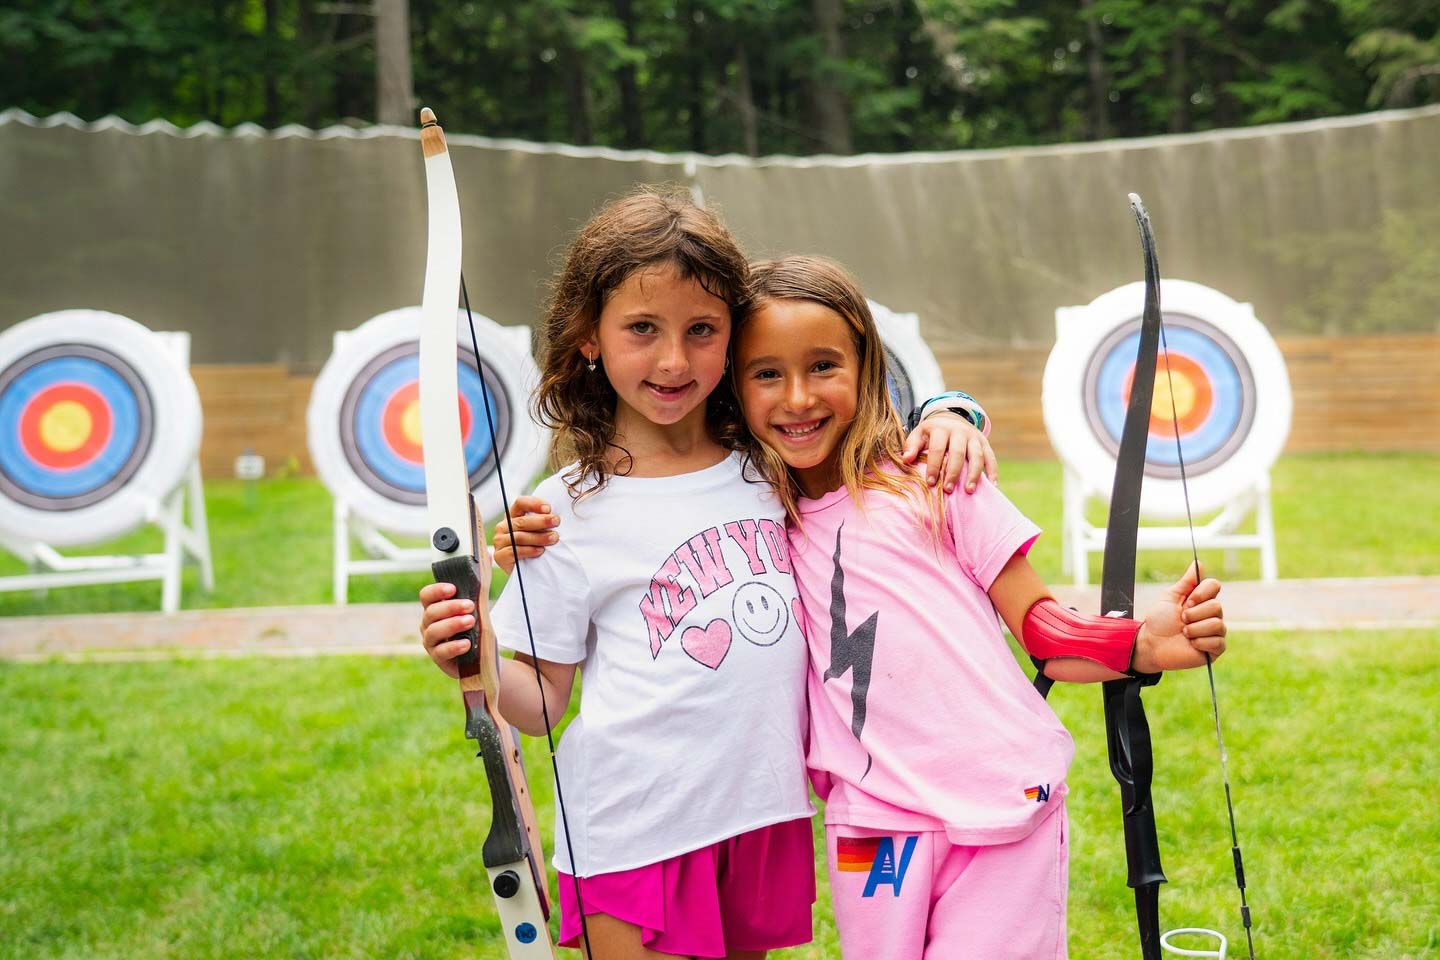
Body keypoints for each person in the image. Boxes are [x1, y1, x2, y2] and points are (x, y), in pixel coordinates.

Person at [418, 188, 995, 960]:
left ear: (734, 338)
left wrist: (954, 411)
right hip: (634, 827)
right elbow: (542, 704)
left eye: (702, 331)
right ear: (589, 338)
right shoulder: (562, 515)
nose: (672, 360)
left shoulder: (777, 465)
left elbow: (867, 415)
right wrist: (478, 658)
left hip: (761, 816)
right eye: (641, 329)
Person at [723, 255, 1228, 960]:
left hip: (1003, 805)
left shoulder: (938, 477)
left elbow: (1043, 633)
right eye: (766, 373)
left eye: (824, 366)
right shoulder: (747, 514)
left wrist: (1143, 643)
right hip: (870, 829)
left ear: (868, 370)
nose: (798, 397)